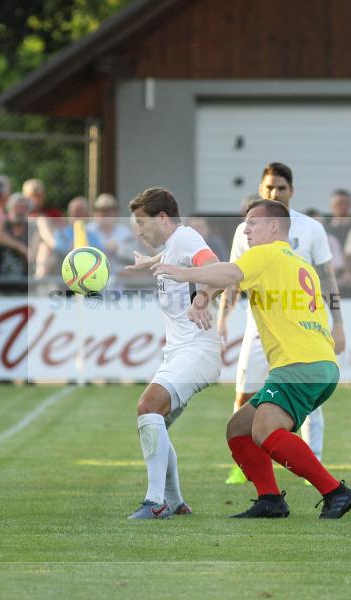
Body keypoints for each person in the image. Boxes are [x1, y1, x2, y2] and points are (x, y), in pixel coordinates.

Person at [154, 201, 351, 519]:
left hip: (299, 364)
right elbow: (231, 281)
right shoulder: (298, 262)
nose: (246, 229)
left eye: (252, 222)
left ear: (274, 226)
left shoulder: (265, 254)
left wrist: (183, 274)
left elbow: (229, 272)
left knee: (264, 430)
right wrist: (204, 296)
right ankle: (270, 499)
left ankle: (335, 492)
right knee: (239, 428)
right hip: (320, 363)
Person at [217, 163, 346, 486]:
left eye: (281, 188)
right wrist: (222, 319)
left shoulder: (310, 228)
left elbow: (327, 277)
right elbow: (233, 277)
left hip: (301, 329)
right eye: (269, 188)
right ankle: (248, 468)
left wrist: (339, 322)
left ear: (292, 191)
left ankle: (312, 465)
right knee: (244, 396)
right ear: (261, 190)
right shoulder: (246, 229)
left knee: (306, 403)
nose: (275, 193)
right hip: (260, 326)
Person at [123, 187, 221, 518]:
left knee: (148, 406)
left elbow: (215, 266)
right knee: (156, 421)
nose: (139, 232)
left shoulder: (185, 237)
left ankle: (155, 502)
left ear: (162, 217)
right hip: (182, 352)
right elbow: (177, 259)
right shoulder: (173, 246)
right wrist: (150, 261)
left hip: (197, 350)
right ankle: (175, 503)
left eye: (141, 222)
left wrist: (202, 298)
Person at [0, 193, 30, 295]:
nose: (21, 210)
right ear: (10, 207)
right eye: (18, 206)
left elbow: (32, 255)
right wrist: (19, 247)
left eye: (24, 207)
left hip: (23, 287)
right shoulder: (2, 224)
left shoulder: (31, 228)